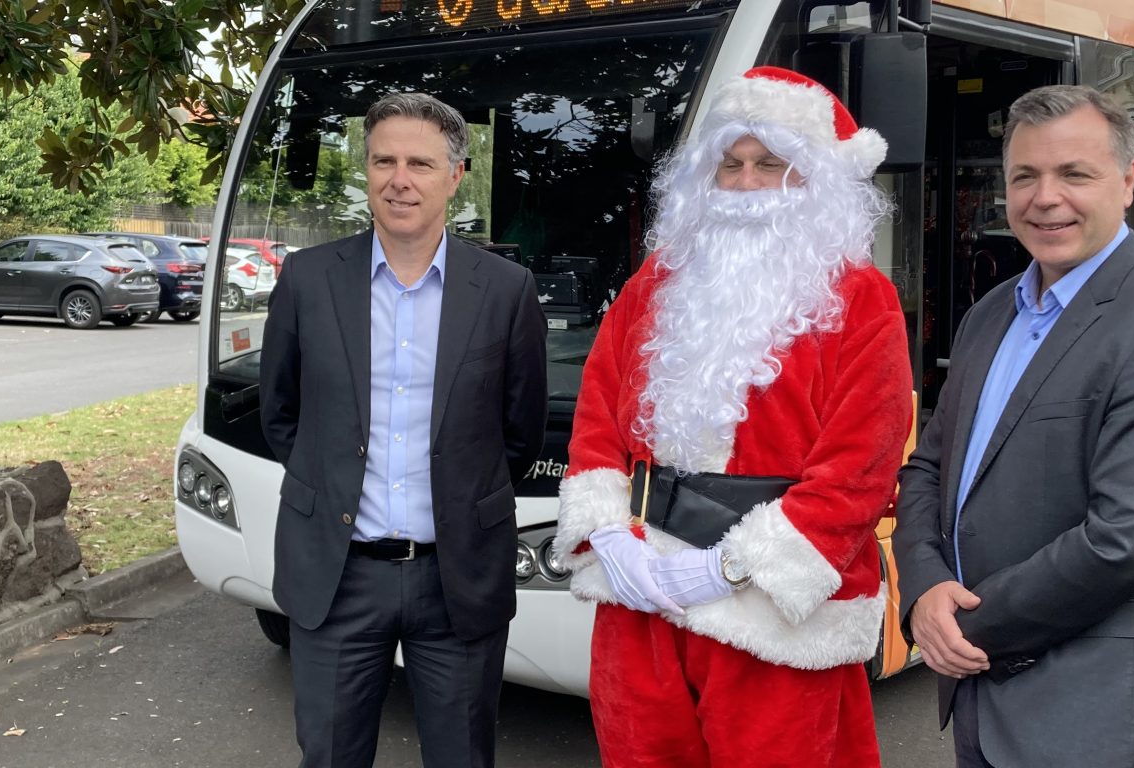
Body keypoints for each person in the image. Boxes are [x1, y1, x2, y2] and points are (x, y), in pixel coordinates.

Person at [553, 66, 912, 767]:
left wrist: (735, 569)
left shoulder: (863, 299)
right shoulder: (654, 284)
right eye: (731, 163)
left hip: (772, 616)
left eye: (771, 164)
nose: (746, 183)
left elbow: (860, 468)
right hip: (642, 592)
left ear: (816, 183)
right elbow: (596, 411)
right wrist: (607, 536)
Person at [892, 84, 1134, 768]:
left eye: (1074, 174)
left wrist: (962, 623)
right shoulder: (991, 314)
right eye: (1025, 176)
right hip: (978, 701)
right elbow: (929, 469)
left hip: (1092, 717)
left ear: (1128, 180)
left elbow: (1127, 540)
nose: (1044, 198)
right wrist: (924, 588)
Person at [258, 92, 549, 768]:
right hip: (337, 576)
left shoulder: (506, 290)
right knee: (329, 757)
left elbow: (519, 431)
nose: (399, 179)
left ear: (455, 175)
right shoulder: (307, 279)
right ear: (366, 171)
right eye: (383, 161)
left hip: (457, 578)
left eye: (420, 162)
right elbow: (280, 414)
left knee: (462, 758)